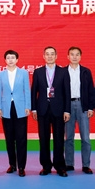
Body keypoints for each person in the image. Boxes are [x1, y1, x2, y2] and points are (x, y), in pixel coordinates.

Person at [31, 46, 71, 177]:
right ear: (43, 56)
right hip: (42, 110)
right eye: (47, 54)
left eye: (52, 54)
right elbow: (34, 91)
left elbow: (67, 92)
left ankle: (60, 166)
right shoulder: (38, 72)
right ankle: (46, 166)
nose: (49, 56)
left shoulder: (63, 72)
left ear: (56, 56)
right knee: (44, 139)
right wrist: (34, 109)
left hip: (59, 110)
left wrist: (67, 110)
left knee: (59, 139)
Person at [0, 50, 31, 177]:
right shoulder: (1, 74)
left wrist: (28, 106)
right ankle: (12, 164)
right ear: (5, 60)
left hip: (20, 108)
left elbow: (27, 90)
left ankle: (21, 166)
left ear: (17, 60)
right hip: (6, 108)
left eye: (13, 57)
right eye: (8, 58)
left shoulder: (23, 73)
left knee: (21, 139)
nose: (10, 60)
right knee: (9, 139)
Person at [65, 46, 95, 174]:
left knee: (85, 138)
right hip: (68, 107)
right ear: (68, 56)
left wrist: (90, 107)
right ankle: (69, 164)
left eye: (77, 54)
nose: (74, 57)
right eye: (72, 54)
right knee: (68, 137)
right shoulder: (63, 72)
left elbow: (91, 90)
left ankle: (86, 165)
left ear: (80, 57)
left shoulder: (86, 71)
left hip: (83, 106)